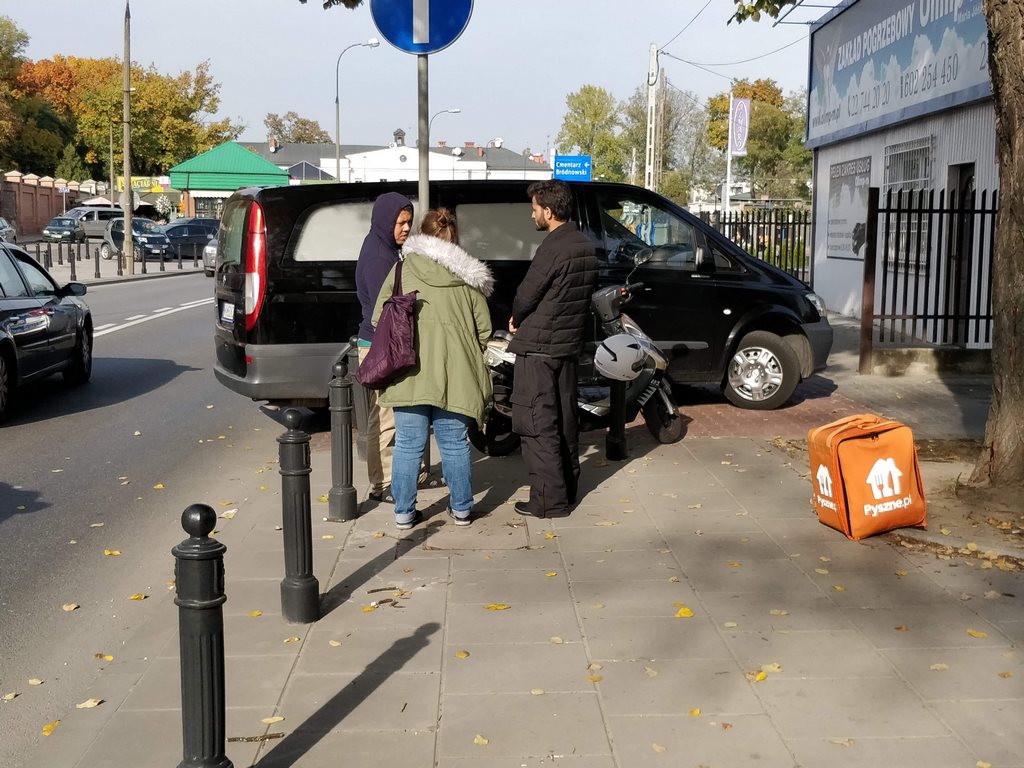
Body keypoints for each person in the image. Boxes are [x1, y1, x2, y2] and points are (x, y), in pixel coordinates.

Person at [373, 208, 494, 529]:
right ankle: (462, 509)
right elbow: (484, 329)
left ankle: (403, 512)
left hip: (408, 371)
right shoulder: (468, 277)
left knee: (408, 444)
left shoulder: (401, 270)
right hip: (456, 374)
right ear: (454, 238)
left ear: (421, 235)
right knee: (454, 443)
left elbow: (378, 318)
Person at [508, 180, 598, 519]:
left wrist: (516, 318)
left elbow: (527, 293)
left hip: (539, 349)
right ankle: (567, 490)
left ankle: (548, 501)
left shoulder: (553, 247)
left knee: (537, 423)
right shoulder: (584, 244)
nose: (532, 215)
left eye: (534, 209)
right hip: (566, 347)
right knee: (564, 422)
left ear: (548, 211)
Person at [356, 192, 414, 504]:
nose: (406, 228)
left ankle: (391, 477)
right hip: (381, 346)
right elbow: (385, 311)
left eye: (409, 222)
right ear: (385, 221)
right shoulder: (381, 258)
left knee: (385, 415)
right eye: (400, 222)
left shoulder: (383, 247)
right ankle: (384, 482)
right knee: (386, 417)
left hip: (379, 343)